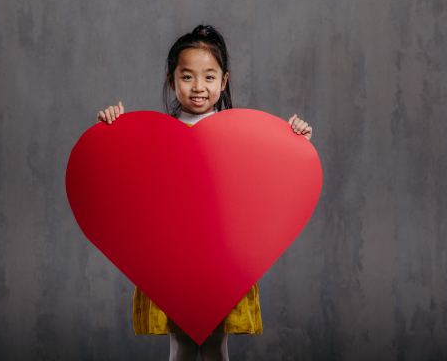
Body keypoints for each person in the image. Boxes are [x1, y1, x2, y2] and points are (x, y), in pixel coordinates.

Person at [96, 25, 312, 361]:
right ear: (171, 80)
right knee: (181, 344)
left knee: (215, 345)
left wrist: (294, 136)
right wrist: (113, 129)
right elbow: (125, 179)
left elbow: (268, 175)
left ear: (223, 81)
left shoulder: (240, 134)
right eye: (187, 77)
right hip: (172, 255)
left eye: (209, 77)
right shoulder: (155, 135)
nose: (199, 87)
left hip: (223, 253)